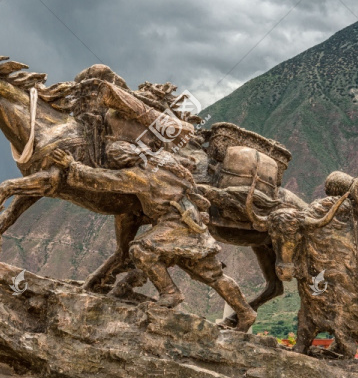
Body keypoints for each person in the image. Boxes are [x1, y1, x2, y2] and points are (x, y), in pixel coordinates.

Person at [49, 142, 256, 331]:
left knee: (141, 249)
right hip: (190, 221)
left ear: (125, 160)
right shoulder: (166, 160)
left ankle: (170, 293)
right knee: (212, 274)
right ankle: (246, 313)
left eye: (116, 163)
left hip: (176, 223)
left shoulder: (140, 175)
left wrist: (72, 165)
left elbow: (102, 180)